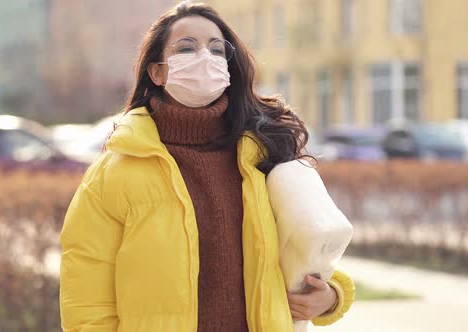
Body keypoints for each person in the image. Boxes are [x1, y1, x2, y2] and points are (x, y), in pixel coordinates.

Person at [59, 1, 354, 331]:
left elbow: (306, 251)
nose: (205, 58)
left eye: (217, 50)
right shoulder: (114, 173)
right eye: (187, 47)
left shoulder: (264, 156)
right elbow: (86, 296)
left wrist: (332, 295)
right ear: (157, 72)